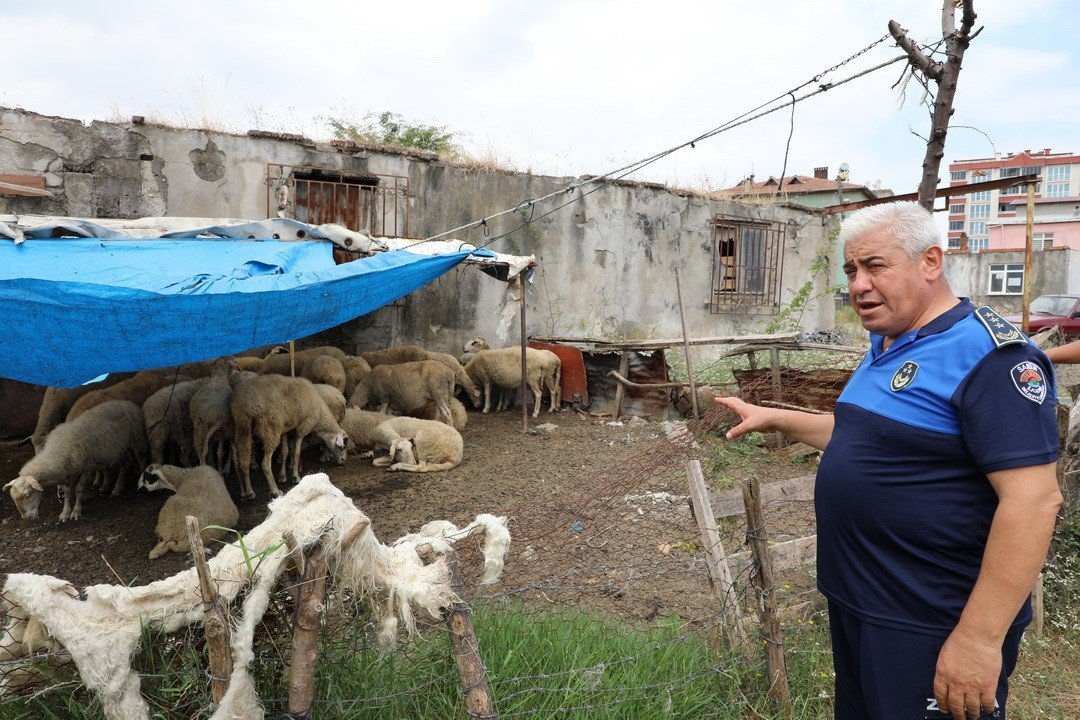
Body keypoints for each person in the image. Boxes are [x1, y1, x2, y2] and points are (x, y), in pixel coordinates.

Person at [717, 201, 1062, 720]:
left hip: (931, 620)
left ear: (930, 262)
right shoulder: (887, 340)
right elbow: (871, 438)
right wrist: (777, 417)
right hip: (862, 605)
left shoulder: (993, 358)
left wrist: (977, 640)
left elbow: (1035, 500)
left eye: (875, 266)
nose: (858, 285)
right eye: (852, 270)